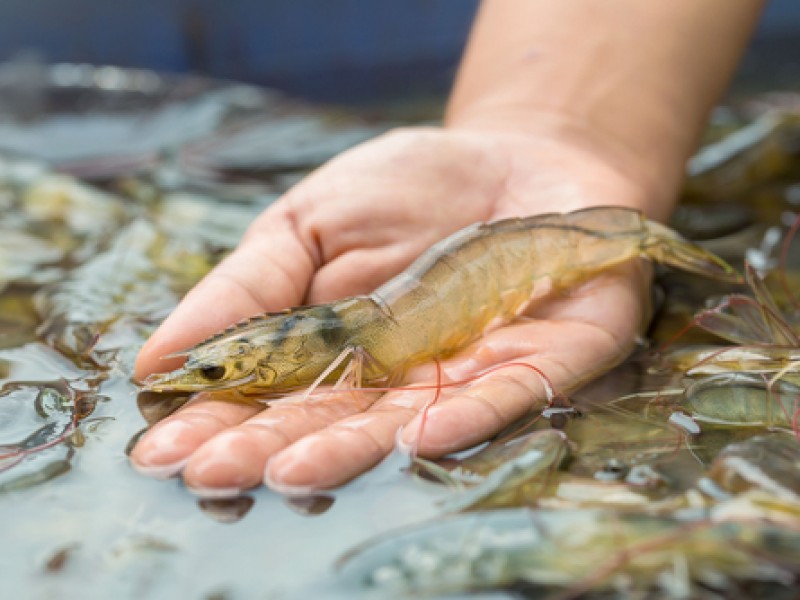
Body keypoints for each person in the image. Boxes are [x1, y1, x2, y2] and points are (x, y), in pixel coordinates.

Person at [131, 1, 764, 496]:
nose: (202, 380)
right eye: (213, 371)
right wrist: (566, 132)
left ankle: (637, 239)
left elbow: (346, 360)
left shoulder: (343, 346)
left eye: (213, 371)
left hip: (501, 259)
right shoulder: (317, 336)